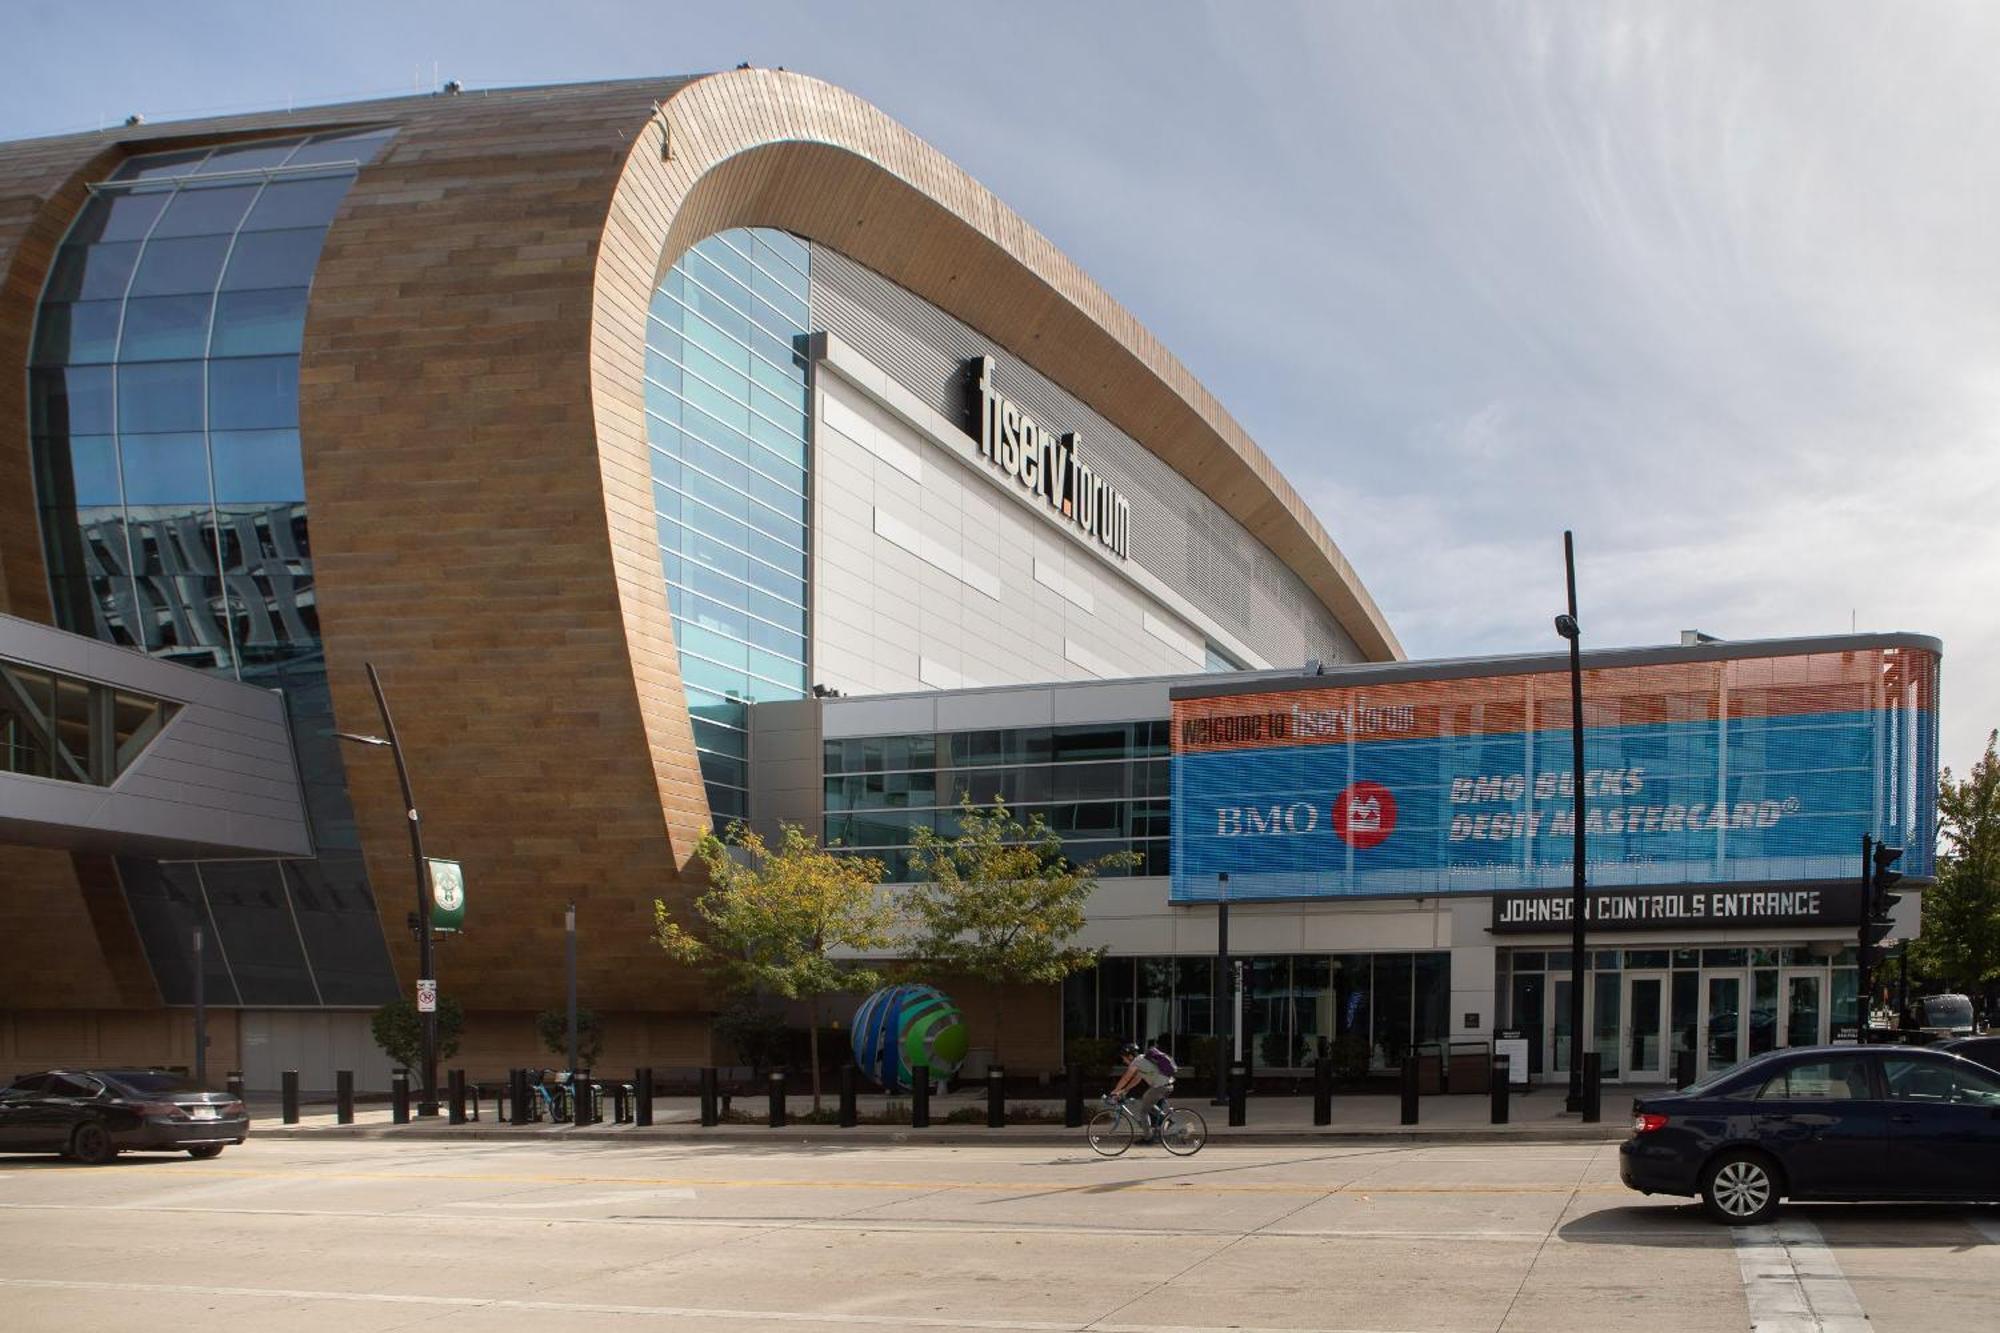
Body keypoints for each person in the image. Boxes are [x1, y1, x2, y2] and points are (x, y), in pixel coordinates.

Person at [1108, 1040, 1174, 1141]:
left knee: (1143, 1111)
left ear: (1129, 1056)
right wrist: (1124, 1090)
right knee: (1148, 1104)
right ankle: (1166, 1120)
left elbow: (1126, 1078)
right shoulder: (1142, 1060)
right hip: (1166, 1085)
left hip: (1160, 1086)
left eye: (1124, 1058)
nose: (1123, 1061)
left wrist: (1115, 1091)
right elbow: (1136, 1079)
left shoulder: (1136, 1062)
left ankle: (1148, 1138)